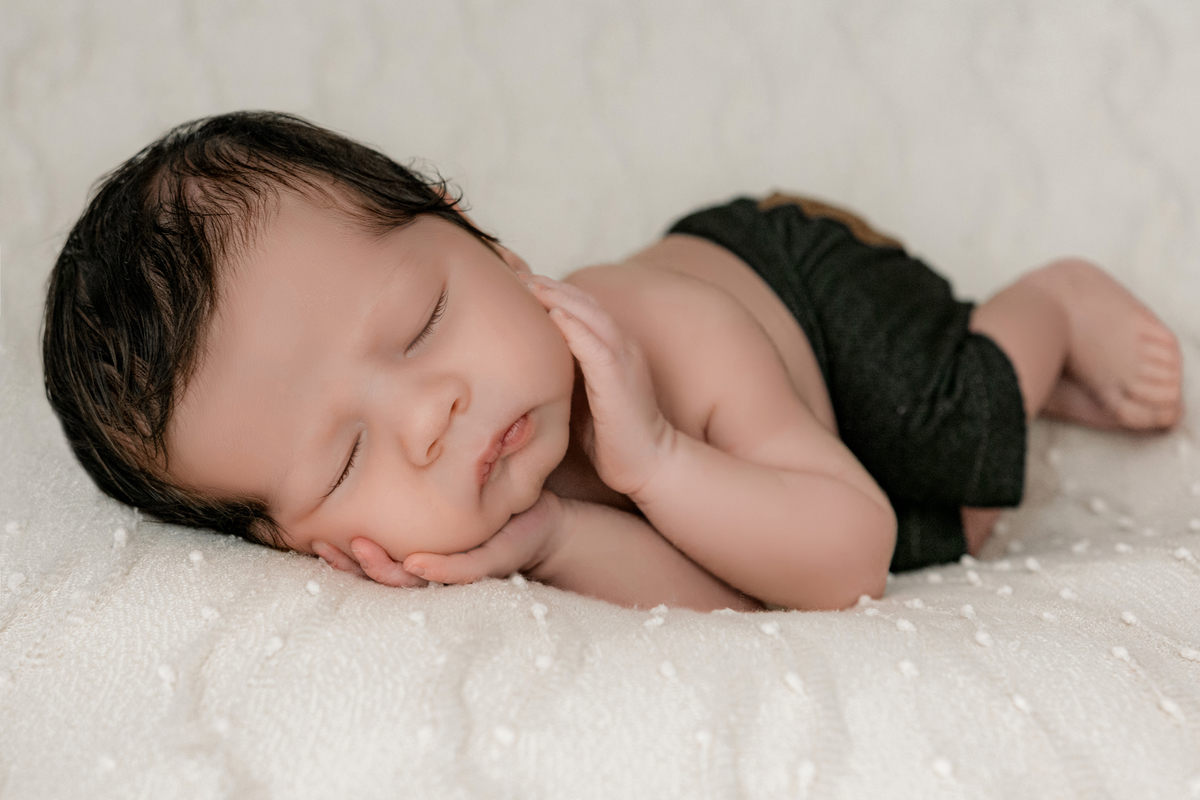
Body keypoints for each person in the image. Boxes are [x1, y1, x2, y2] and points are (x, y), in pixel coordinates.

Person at [42, 111, 1184, 613]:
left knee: (951, 446)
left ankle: (1045, 309)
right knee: (949, 531)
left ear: (478, 235)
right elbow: (739, 599)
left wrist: (659, 457)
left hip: (807, 298)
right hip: (787, 486)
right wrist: (555, 538)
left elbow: (852, 558)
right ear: (288, 540)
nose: (429, 416)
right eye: (344, 459)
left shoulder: (669, 334)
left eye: (422, 321)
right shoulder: (491, 520)